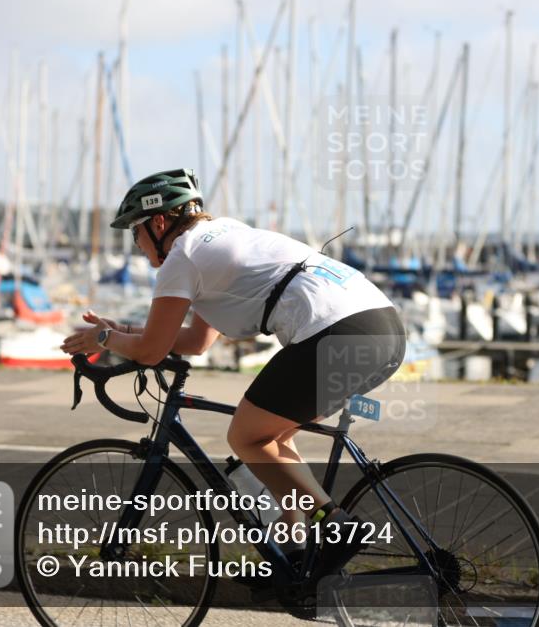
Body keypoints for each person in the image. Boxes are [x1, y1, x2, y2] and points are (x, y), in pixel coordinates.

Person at [61, 168, 406, 580]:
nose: (136, 245)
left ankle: (334, 525)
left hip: (339, 332)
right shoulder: (222, 237)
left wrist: (103, 338)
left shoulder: (182, 255)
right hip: (382, 327)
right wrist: (121, 331)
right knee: (272, 437)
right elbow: (196, 341)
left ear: (158, 223)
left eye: (134, 232)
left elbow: (153, 352)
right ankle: (297, 550)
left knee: (245, 435)